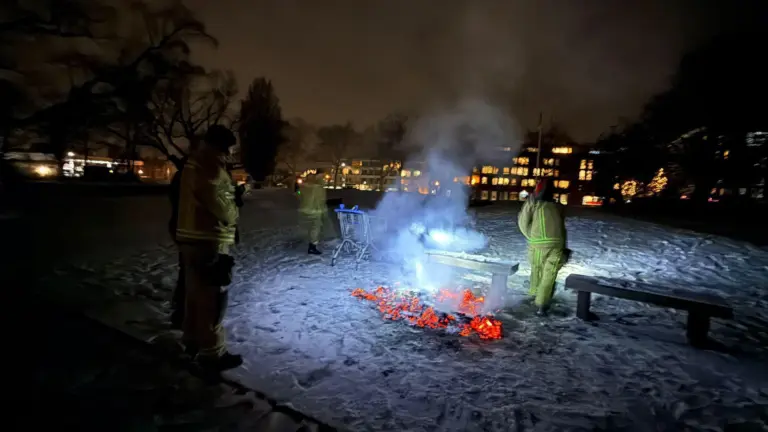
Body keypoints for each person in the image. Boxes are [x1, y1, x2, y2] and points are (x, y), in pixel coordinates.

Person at [175, 125, 242, 371]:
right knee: (213, 299)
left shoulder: (194, 162)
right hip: (209, 240)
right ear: (222, 145)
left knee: (195, 295)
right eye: (230, 148)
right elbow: (221, 206)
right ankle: (213, 353)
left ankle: (192, 341)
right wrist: (235, 206)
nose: (231, 153)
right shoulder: (210, 164)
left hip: (192, 238)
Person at [517, 178, 568, 316]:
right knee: (549, 274)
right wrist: (563, 246)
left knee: (537, 270)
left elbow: (522, 223)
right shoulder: (558, 207)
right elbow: (562, 228)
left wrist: (532, 236)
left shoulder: (533, 204)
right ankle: (542, 304)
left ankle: (535, 296)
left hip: (538, 243)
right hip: (557, 244)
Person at [168, 156, 188, 330]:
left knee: (186, 271)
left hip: (180, 227)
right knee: (189, 273)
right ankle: (181, 313)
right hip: (188, 230)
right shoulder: (188, 179)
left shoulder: (179, 177)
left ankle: (180, 311)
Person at [299, 171, 327, 255]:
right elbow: (320, 200)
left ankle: (311, 244)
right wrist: (324, 211)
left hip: (305, 210)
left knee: (311, 229)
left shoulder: (303, 187)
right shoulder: (318, 188)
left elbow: (299, 195)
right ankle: (312, 247)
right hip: (315, 211)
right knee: (315, 229)